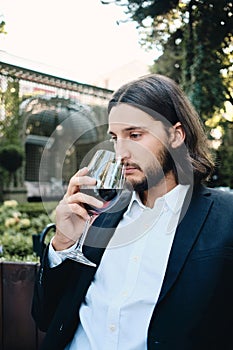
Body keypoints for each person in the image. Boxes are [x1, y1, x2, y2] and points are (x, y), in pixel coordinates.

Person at [32, 74, 233, 350]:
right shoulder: (97, 214)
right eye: (115, 138)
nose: (120, 153)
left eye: (135, 135)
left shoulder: (225, 218)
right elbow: (46, 318)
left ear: (176, 135)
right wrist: (62, 244)